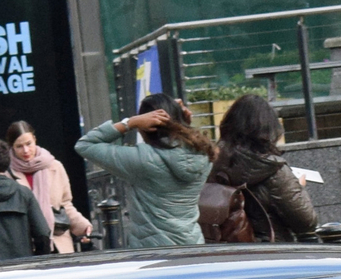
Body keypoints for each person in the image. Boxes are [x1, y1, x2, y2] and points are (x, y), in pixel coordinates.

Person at [75, 94, 214, 248]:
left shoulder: (143, 159)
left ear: (145, 126)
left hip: (151, 250)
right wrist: (181, 121)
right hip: (193, 245)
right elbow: (182, 145)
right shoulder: (204, 154)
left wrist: (130, 122)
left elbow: (85, 145)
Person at [204, 94, 318, 243]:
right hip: (268, 253)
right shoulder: (273, 169)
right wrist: (299, 187)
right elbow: (306, 221)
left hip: (221, 249)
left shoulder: (210, 162)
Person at [2, 121, 92, 252]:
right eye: (19, 146)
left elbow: (65, 204)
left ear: (34, 139)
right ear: (12, 147)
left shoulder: (54, 166)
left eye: (28, 144)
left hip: (57, 242)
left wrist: (82, 225)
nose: (26, 150)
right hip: (25, 246)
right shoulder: (6, 173)